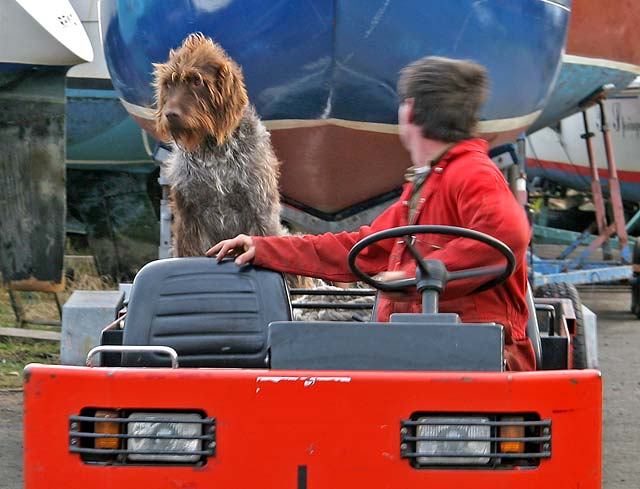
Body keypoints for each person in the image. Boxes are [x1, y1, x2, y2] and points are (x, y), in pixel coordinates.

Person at [206, 56, 534, 371]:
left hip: (474, 359)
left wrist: (424, 275)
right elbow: (364, 248)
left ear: (410, 111)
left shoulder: (471, 173)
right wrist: (264, 248)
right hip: (422, 351)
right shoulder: (426, 187)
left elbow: (507, 235)